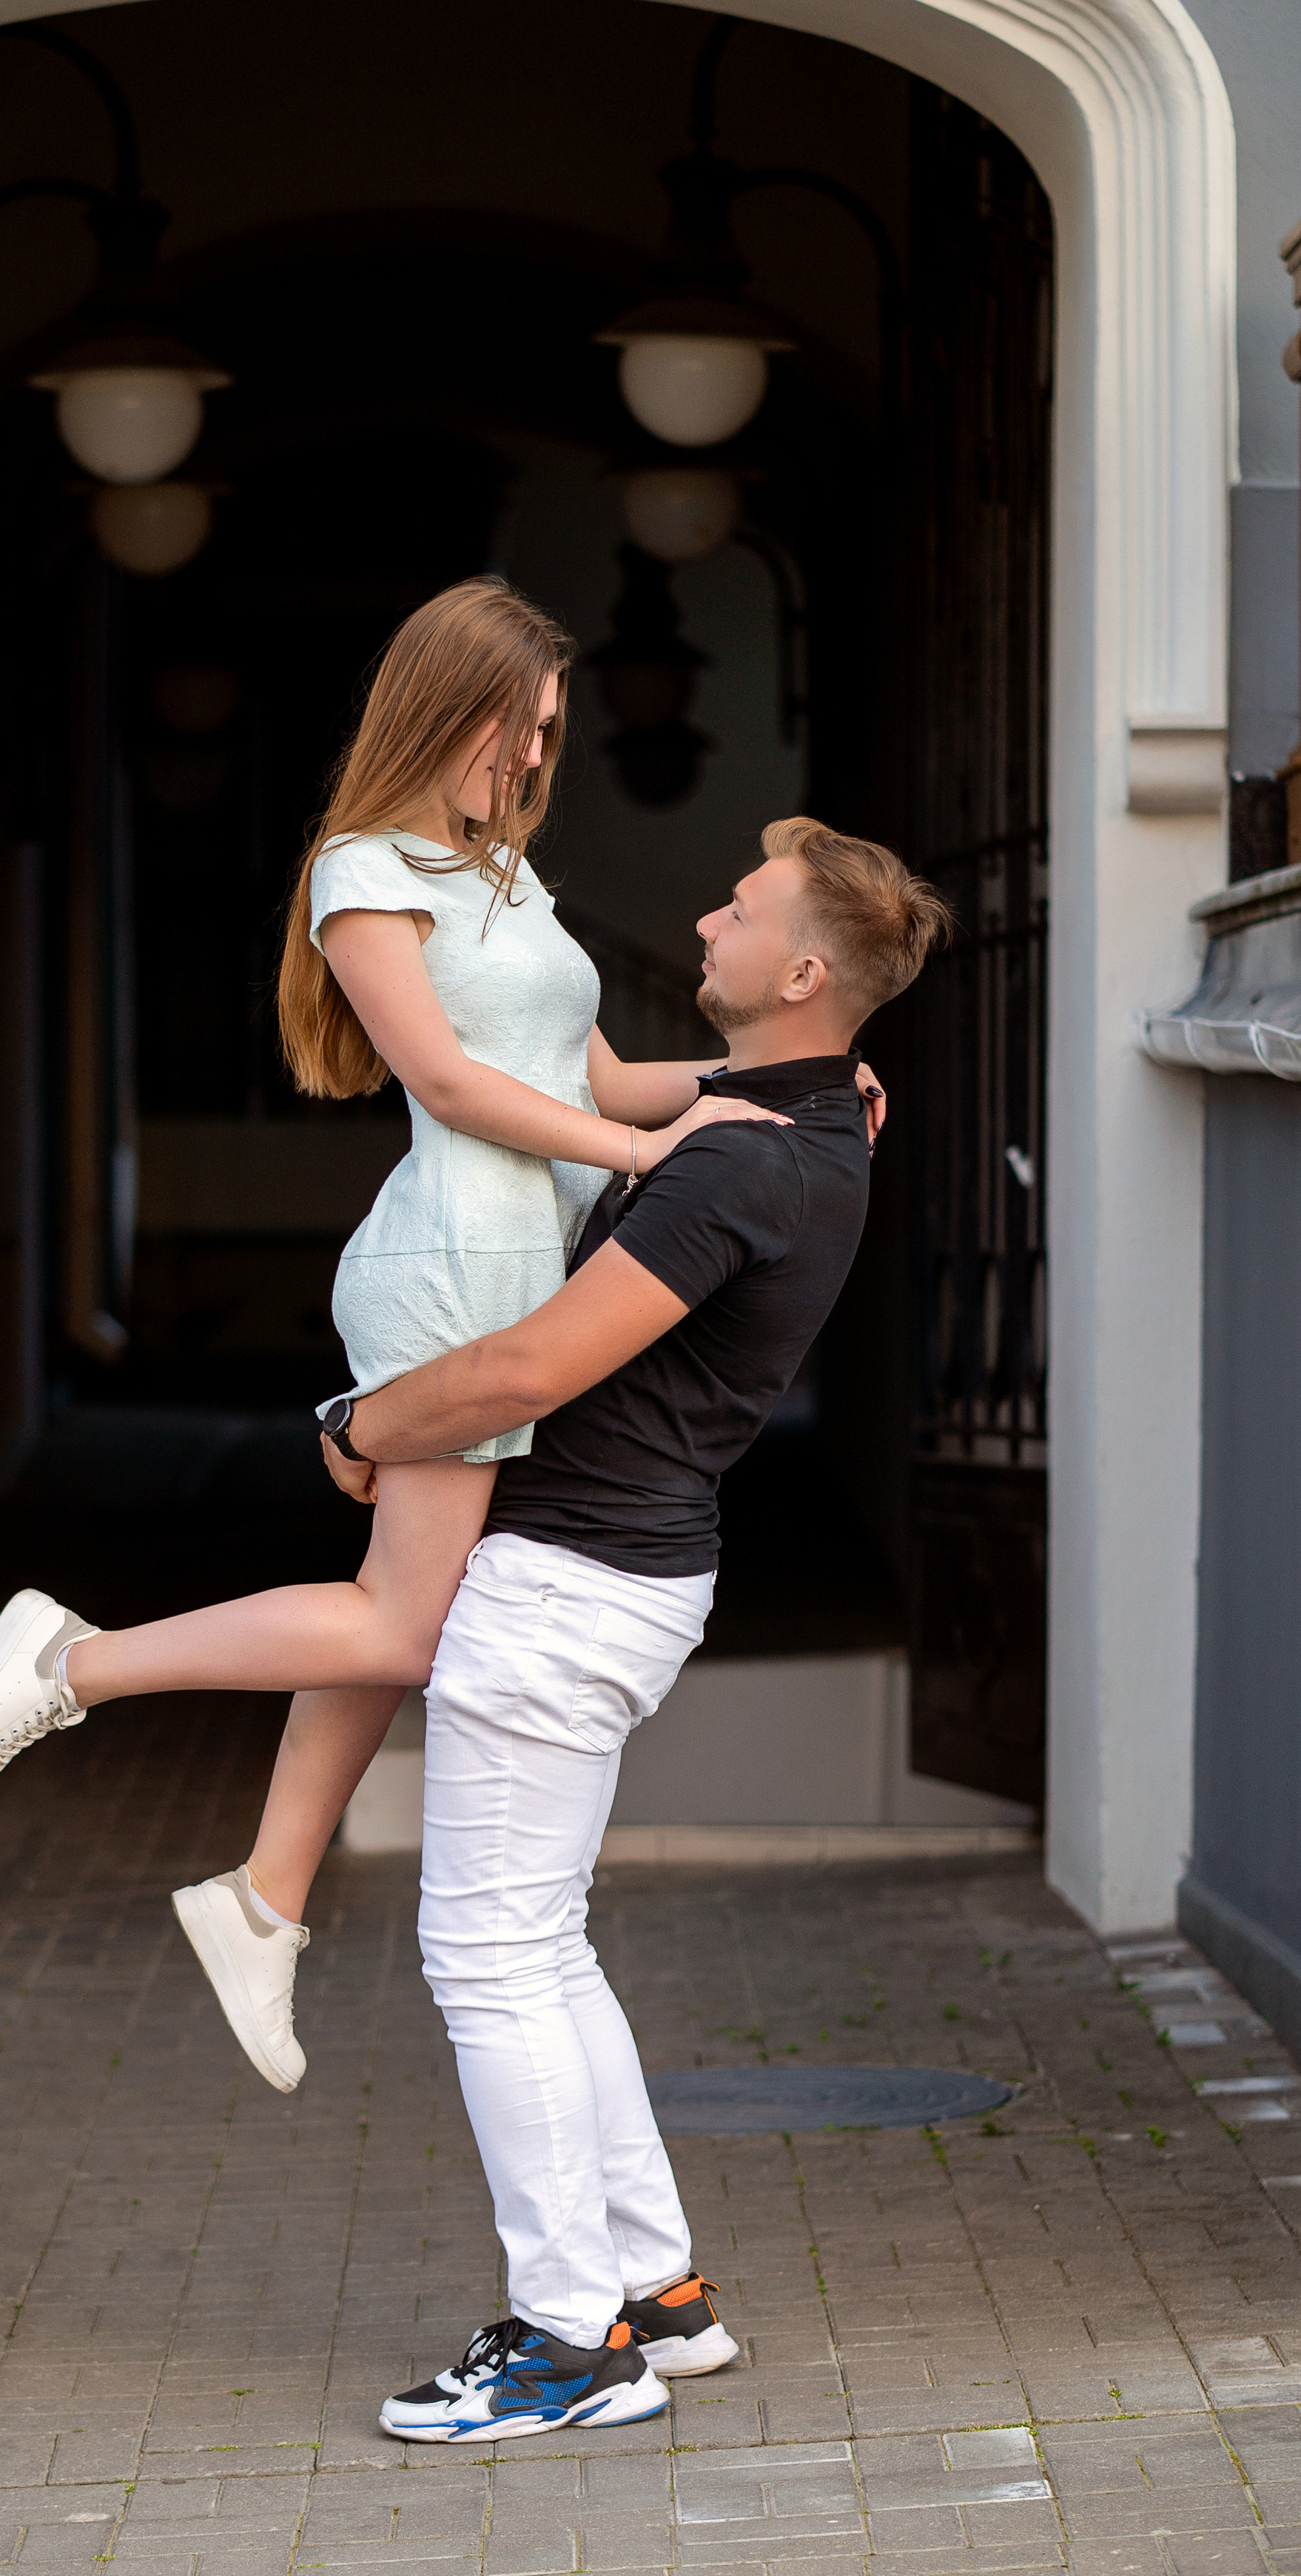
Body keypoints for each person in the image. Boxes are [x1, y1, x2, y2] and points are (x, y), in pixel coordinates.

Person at [0, 581, 876, 2089]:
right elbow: (440, 1082)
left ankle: (265, 1898)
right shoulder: (362, 872)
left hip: (524, 1260)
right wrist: (656, 1161)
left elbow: (612, 1074)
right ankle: (73, 1662)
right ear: (454, 708)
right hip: (450, 1261)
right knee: (411, 1625)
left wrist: (776, 1084)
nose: (537, 759)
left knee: (397, 1606)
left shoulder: (508, 880)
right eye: (526, 728)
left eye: (555, 732)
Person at [304, 815, 950, 2438]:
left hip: (564, 1583)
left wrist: (359, 1423)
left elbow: (530, 1371)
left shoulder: (740, 1160)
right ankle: (654, 2296)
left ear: (801, 970)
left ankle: (565, 2343)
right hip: (625, 1577)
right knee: (542, 1942)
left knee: (485, 1954)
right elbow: (616, 1099)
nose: (704, 921)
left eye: (737, 911)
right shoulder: (810, 1128)